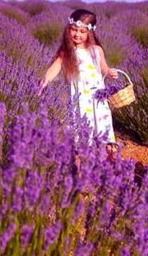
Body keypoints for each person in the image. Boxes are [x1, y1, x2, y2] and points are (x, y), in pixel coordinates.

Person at [38, 9, 119, 159]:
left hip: (98, 99)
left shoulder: (96, 50)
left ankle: (109, 166)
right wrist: (43, 83)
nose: (77, 34)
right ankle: (82, 163)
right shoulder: (67, 53)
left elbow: (104, 69)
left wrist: (111, 71)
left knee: (103, 130)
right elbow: (53, 70)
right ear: (68, 29)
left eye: (82, 31)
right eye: (74, 30)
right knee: (82, 131)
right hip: (79, 100)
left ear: (90, 32)